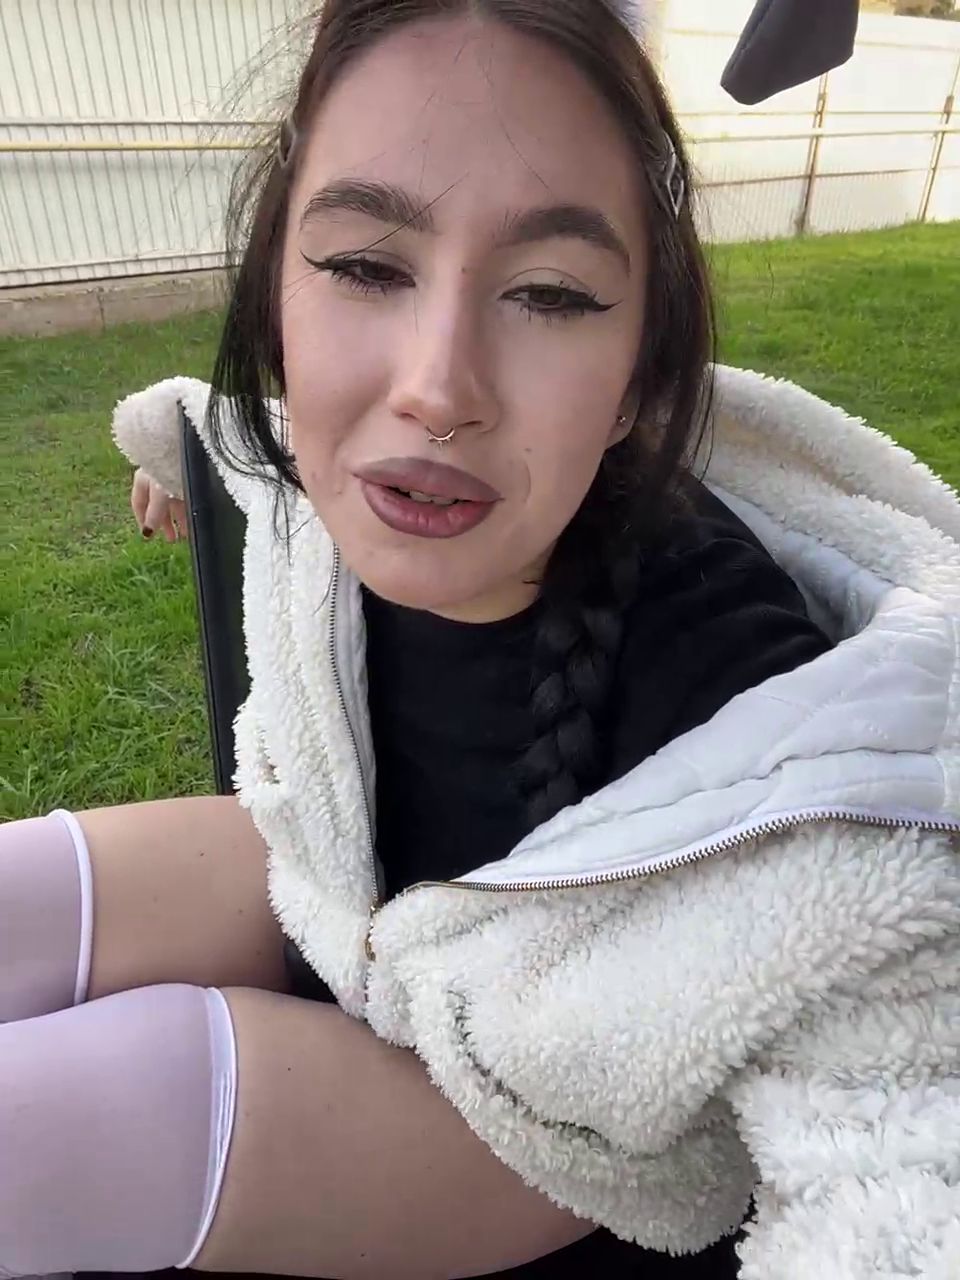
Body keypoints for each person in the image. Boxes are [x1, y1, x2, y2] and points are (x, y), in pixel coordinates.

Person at [3, 2, 959, 1277]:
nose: (438, 390)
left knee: (79, 1111)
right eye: (365, 268)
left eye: (550, 294)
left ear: (640, 379)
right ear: (278, 286)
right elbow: (244, 430)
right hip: (354, 912)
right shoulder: (324, 477)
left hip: (561, 1148)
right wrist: (172, 454)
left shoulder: (763, 708)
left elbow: (902, 1141)